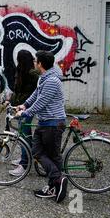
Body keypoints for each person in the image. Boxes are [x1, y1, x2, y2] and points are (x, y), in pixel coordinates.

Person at [15, 50, 68, 203]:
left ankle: (56, 182)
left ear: (40, 64)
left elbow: (41, 102)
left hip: (53, 123)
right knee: (37, 152)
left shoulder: (52, 81)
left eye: (36, 61)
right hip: (45, 122)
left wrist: (25, 113)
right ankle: (57, 181)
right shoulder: (44, 78)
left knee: (52, 156)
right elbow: (36, 95)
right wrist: (24, 105)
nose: (34, 63)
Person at [4, 50, 39, 177]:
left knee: (24, 134)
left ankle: (24, 164)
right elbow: (17, 90)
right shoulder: (21, 71)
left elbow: (35, 93)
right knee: (24, 133)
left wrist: (25, 106)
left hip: (27, 108)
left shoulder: (33, 74)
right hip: (21, 107)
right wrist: (11, 101)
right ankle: (26, 158)